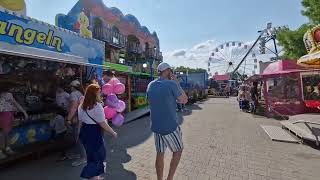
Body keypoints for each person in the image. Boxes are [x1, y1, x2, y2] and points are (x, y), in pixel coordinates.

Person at [147, 62, 188, 180]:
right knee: (178, 151)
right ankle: (169, 178)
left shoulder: (150, 84)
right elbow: (184, 100)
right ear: (168, 71)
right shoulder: (171, 84)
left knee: (160, 153)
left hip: (156, 126)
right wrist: (177, 83)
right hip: (169, 126)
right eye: (171, 71)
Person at [78, 84, 117, 180]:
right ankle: (85, 174)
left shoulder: (81, 105)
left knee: (91, 155)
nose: (100, 94)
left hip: (84, 132)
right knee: (100, 155)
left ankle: (95, 177)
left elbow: (80, 121)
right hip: (93, 132)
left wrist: (78, 134)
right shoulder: (97, 106)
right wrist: (113, 132)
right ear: (95, 94)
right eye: (99, 93)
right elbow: (102, 123)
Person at [0, 86, 28, 159]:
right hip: (5, 114)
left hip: (8, 114)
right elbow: (16, 104)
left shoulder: (8, 94)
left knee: (7, 132)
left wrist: (24, 112)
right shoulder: (7, 94)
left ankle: (7, 148)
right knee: (4, 133)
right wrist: (24, 112)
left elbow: (15, 104)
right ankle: (2, 150)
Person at [66, 80, 86, 167]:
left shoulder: (73, 94)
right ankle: (79, 154)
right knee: (79, 137)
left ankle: (83, 158)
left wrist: (68, 119)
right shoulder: (81, 93)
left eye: (70, 86)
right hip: (83, 118)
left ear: (72, 87)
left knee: (78, 138)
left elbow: (74, 107)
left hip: (77, 119)